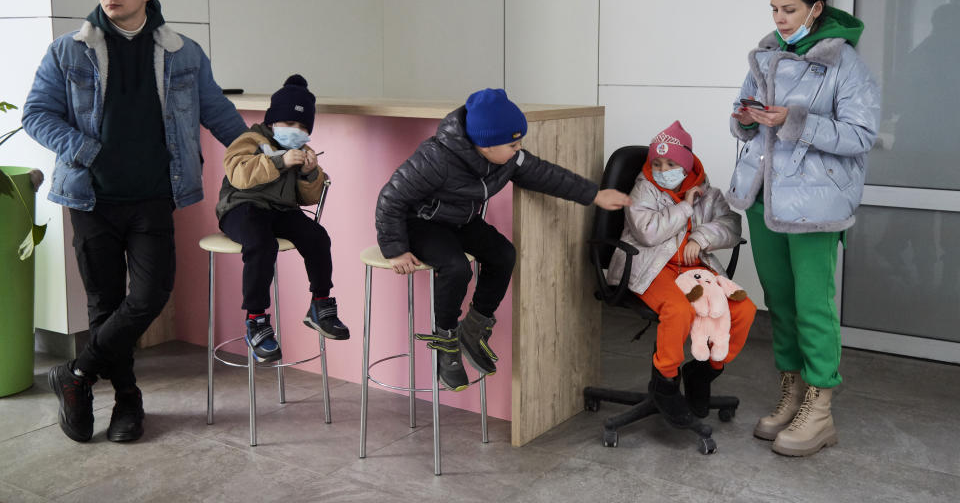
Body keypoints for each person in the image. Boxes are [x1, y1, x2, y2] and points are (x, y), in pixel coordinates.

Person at [22, 0, 247, 443]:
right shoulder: (68, 51)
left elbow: (219, 113)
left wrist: (264, 151)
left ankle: (75, 376)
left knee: (149, 295)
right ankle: (127, 402)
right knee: (106, 305)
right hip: (90, 198)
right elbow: (36, 114)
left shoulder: (182, 52)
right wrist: (86, 149)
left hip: (152, 197)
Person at [375, 88, 631, 390]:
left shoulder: (509, 159)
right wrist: (395, 250)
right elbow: (390, 198)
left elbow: (548, 175)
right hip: (422, 224)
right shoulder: (436, 159)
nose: (518, 148)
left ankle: (473, 327)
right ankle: (446, 340)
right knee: (457, 267)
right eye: (513, 143)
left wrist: (595, 195)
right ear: (484, 144)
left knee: (504, 254)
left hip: (461, 221)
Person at [727, 0, 880, 457]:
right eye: (773, 9)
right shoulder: (766, 54)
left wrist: (795, 121)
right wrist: (745, 118)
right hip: (763, 196)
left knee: (814, 304)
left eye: (789, 9)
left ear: (816, 8)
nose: (780, 18)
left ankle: (820, 405)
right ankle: (793, 390)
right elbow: (742, 118)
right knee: (783, 303)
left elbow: (861, 136)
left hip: (816, 204)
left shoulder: (846, 63)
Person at [605, 121, 755, 428]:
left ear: (686, 166)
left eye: (671, 163)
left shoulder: (708, 193)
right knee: (679, 309)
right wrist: (685, 208)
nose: (662, 169)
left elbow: (731, 225)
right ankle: (666, 381)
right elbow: (647, 233)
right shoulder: (643, 188)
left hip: (694, 271)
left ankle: (704, 371)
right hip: (650, 266)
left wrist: (701, 238)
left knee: (743, 309)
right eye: (657, 163)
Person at [216, 74, 349, 363]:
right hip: (242, 207)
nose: (296, 131)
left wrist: (309, 174)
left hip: (281, 210)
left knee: (317, 236)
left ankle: (320, 304)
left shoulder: (303, 150)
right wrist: (279, 160)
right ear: (273, 120)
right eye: (289, 123)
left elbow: (308, 197)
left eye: (302, 126)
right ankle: (256, 319)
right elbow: (238, 173)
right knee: (262, 243)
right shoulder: (250, 139)